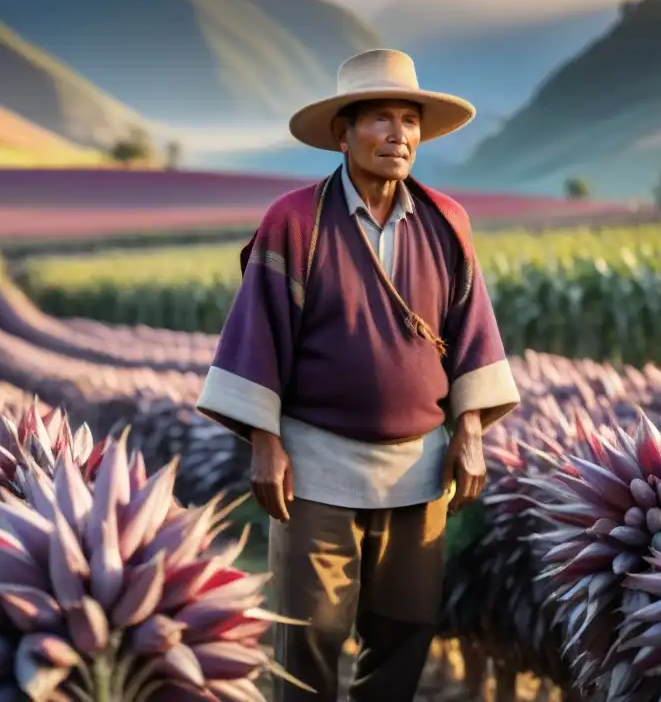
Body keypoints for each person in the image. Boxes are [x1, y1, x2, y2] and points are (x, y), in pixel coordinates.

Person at [196, 48, 520, 702]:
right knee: (309, 635)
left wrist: (470, 432)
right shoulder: (294, 222)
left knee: (405, 633)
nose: (399, 134)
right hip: (316, 468)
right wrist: (265, 444)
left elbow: (472, 334)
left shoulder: (446, 223)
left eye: (410, 120)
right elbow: (258, 336)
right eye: (380, 119)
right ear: (342, 134)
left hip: (417, 471)